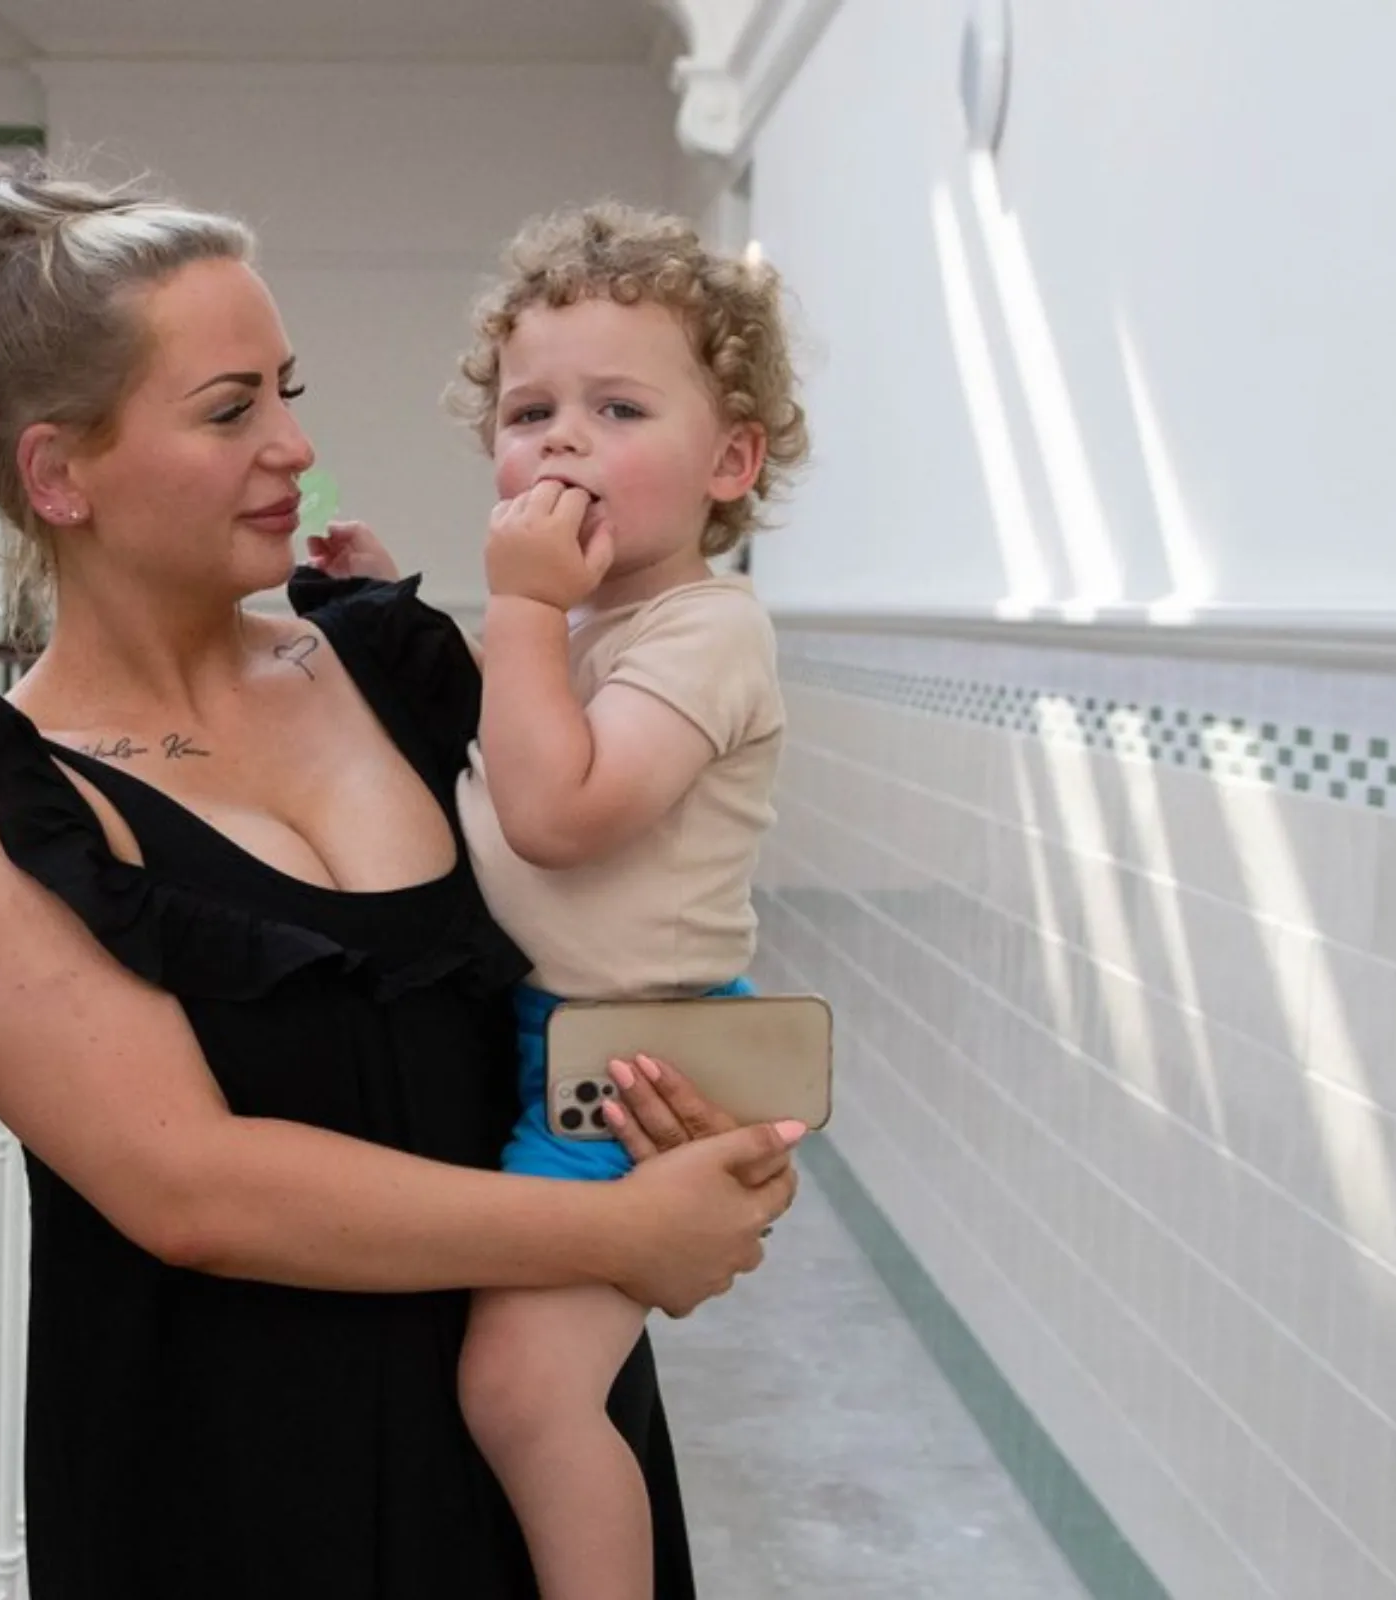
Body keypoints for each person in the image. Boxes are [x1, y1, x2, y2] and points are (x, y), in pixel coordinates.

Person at [0, 161, 802, 1597]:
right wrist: (618, 1227)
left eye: (289, 388)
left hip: (526, 1468)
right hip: (238, 1502)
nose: (295, 444)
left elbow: (598, 935)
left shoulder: (392, 665)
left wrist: (691, 1130)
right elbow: (190, 1188)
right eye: (232, 410)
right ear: (59, 474)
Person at [307, 202, 809, 1599]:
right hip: (557, 1031)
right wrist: (414, 601)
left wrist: (516, 611)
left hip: (646, 1057)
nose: (565, 439)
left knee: (523, 1399)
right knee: (524, 1387)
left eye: (620, 406)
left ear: (731, 460)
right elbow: (506, 735)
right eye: (530, 411)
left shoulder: (713, 631)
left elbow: (560, 811)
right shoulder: (587, 626)